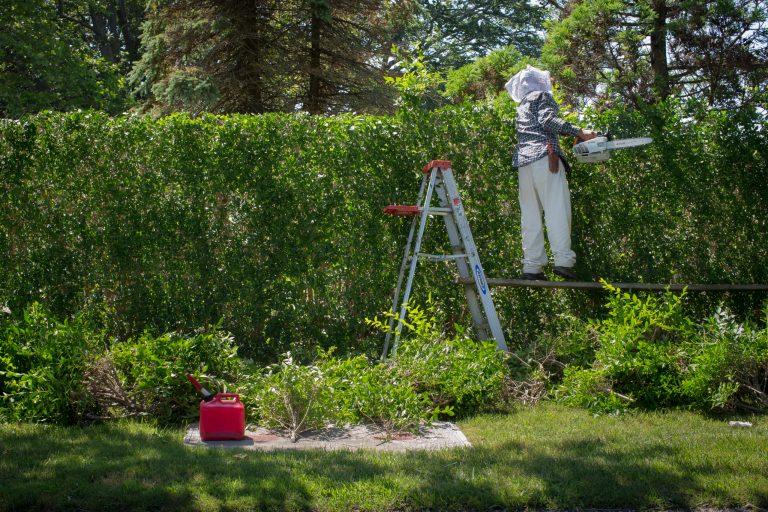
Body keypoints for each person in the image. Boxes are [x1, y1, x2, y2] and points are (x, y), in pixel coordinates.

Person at [505, 65, 597, 281]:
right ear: (538, 82)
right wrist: (580, 132)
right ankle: (563, 261)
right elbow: (548, 120)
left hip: (524, 163)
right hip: (547, 160)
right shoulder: (542, 96)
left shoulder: (523, 105)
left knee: (530, 216)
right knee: (557, 210)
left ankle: (532, 267)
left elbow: (539, 126)